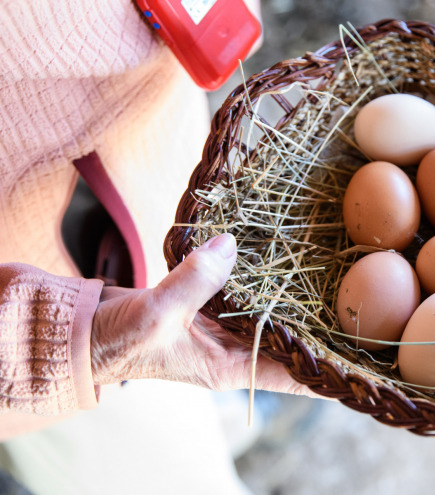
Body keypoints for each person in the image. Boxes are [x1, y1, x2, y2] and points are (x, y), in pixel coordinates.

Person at [0, 1, 312, 493]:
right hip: (52, 328)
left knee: (207, 384)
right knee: (163, 471)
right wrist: (72, 343)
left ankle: (223, 422)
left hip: (165, 165)